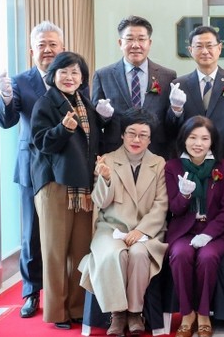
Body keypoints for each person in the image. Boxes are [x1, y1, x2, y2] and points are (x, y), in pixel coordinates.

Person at [30, 51, 111, 329]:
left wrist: (106, 119)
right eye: (64, 71)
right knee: (55, 252)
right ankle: (57, 312)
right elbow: (42, 143)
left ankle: (77, 307)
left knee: (80, 251)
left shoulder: (84, 103)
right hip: (55, 185)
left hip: (83, 187)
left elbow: (93, 142)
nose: (69, 77)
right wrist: (62, 129)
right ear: (53, 75)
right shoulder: (45, 103)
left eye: (75, 72)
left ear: (82, 77)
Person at [0, 21, 64, 318]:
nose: (47, 50)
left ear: (62, 48)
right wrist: (5, 97)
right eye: (42, 45)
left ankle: (66, 292)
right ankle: (31, 292)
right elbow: (7, 120)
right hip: (31, 165)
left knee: (66, 231)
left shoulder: (72, 76)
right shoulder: (21, 81)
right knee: (31, 232)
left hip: (66, 164)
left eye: (53, 44)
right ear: (32, 49)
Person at [78, 108, 168, 336]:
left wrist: (142, 230)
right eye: (131, 133)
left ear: (150, 139)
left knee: (138, 254)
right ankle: (117, 313)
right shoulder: (107, 160)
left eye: (143, 135)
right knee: (115, 254)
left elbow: (161, 204)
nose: (137, 140)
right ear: (122, 135)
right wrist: (106, 179)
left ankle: (135, 312)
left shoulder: (159, 163)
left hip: (146, 231)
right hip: (111, 229)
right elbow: (100, 202)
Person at [165, 115, 224, 337]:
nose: (198, 143)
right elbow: (174, 209)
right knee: (180, 255)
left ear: (212, 141)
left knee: (208, 257)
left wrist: (208, 234)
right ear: (184, 139)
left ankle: (204, 314)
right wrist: (184, 195)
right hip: (184, 230)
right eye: (193, 137)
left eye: (204, 138)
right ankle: (187, 314)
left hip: (216, 231)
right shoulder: (172, 167)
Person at [92, 15, 177, 159]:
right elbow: (94, 122)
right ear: (120, 43)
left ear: (149, 43)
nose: (136, 45)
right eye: (130, 39)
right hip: (115, 152)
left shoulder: (168, 76)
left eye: (141, 39)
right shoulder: (103, 75)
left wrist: (177, 109)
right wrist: (103, 116)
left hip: (156, 152)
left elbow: (170, 121)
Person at [167, 26, 224, 159]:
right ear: (190, 50)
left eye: (209, 46)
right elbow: (171, 128)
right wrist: (176, 109)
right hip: (190, 157)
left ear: (219, 48)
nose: (205, 51)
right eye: (199, 46)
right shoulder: (179, 84)